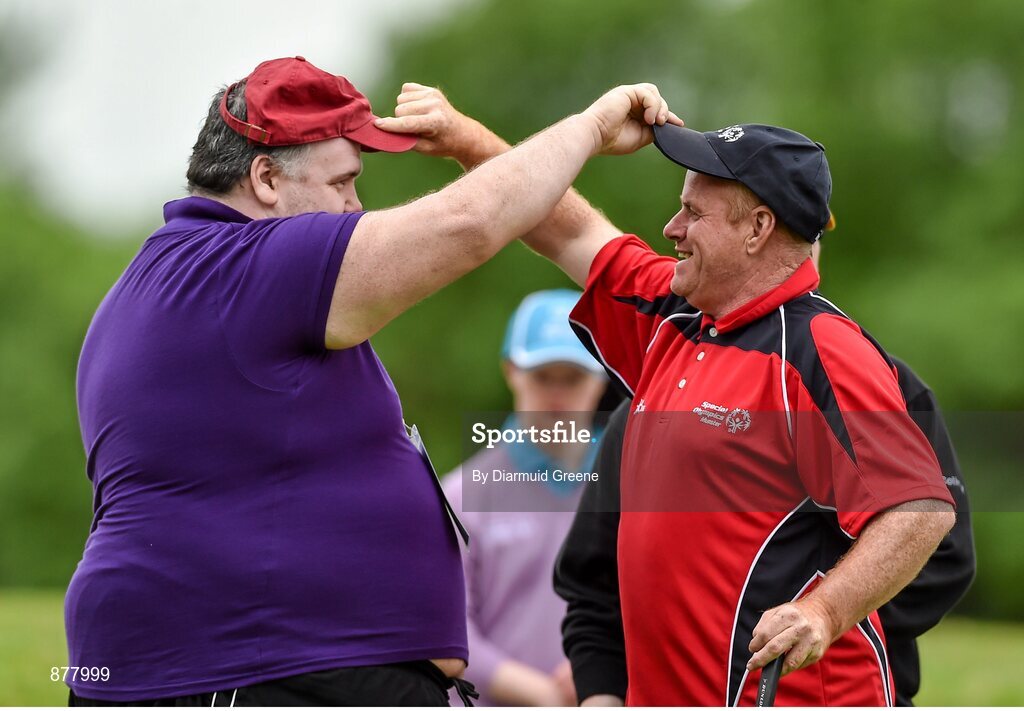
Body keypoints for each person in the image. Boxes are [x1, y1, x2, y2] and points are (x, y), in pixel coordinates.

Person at [66, 55, 679, 706]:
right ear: (267, 178)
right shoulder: (250, 264)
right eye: (344, 181)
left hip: (242, 663)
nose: (357, 205)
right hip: (255, 670)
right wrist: (590, 126)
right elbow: (467, 225)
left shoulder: (180, 276)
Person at [386, 91, 956, 705]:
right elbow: (565, 227)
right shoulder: (677, 315)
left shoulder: (821, 350)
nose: (671, 228)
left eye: (693, 213)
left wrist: (823, 612)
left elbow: (919, 509)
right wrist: (466, 138)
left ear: (758, 229)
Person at [554, 247, 976, 707]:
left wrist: (811, 623)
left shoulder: (882, 379)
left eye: (809, 230)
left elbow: (941, 555)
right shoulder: (650, 398)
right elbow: (593, 583)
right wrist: (601, 692)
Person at [441, 289, 607, 706]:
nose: (557, 394)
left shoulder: (633, 483)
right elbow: (445, 629)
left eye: (572, 378)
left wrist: (601, 668)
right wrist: (545, 696)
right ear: (511, 371)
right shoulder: (461, 495)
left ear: (602, 376)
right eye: (541, 376)